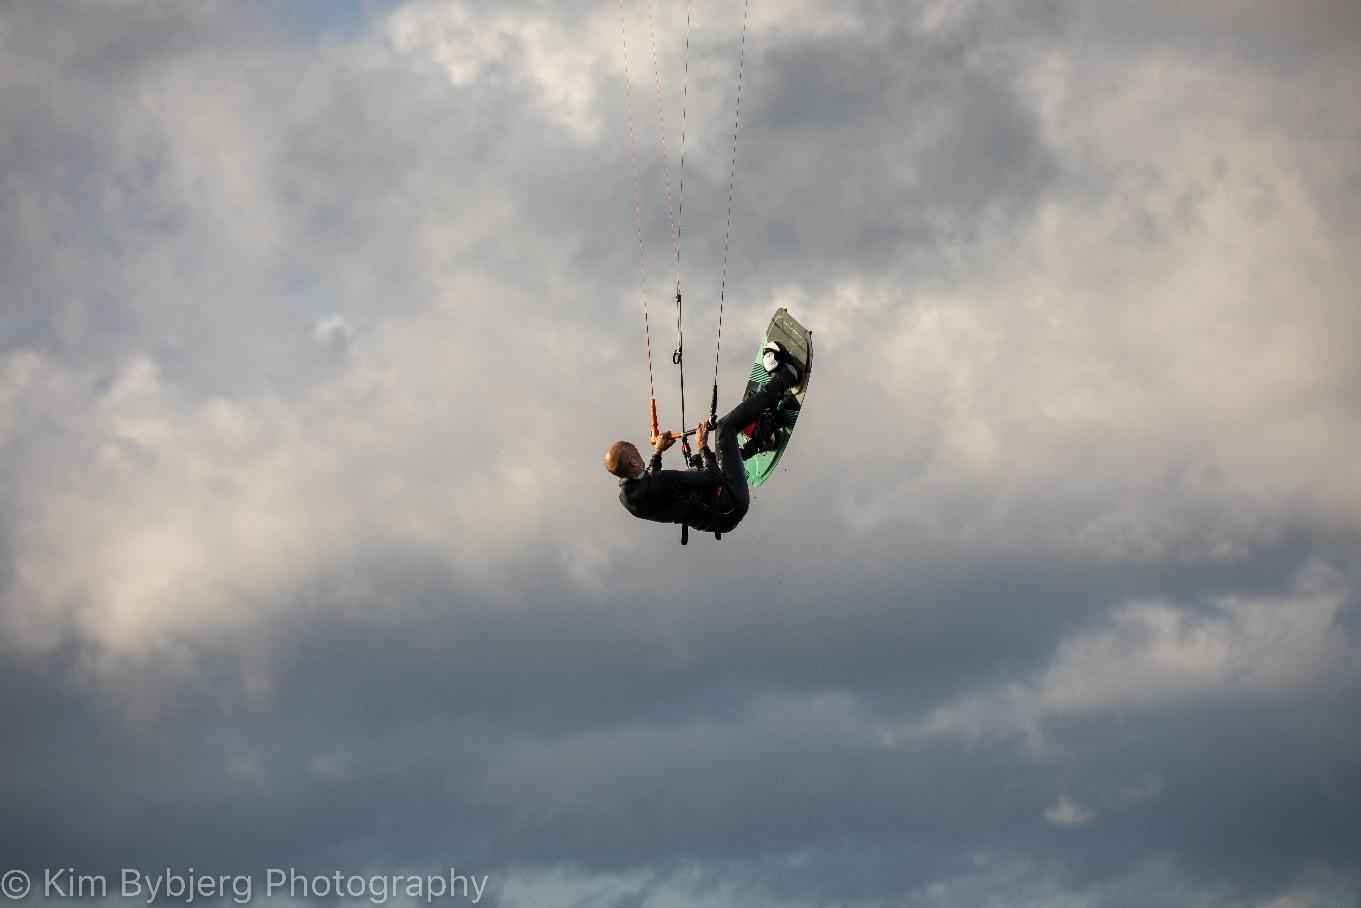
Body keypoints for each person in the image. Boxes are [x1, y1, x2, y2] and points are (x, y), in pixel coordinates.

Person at [604, 344, 801, 534]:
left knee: (698, 463)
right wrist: (702, 445)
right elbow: (712, 477)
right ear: (633, 462)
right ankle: (784, 379)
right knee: (724, 429)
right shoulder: (664, 481)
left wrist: (658, 453)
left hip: (716, 517)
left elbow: (650, 484)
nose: (639, 451)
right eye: (635, 451)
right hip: (731, 500)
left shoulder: (627, 497)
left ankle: (761, 442)